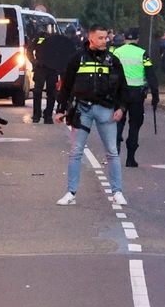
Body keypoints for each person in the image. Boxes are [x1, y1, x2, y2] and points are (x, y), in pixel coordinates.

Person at [55, 24, 129, 206]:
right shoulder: (77, 59)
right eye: (101, 38)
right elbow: (66, 86)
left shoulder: (113, 60)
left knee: (112, 152)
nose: (106, 41)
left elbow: (122, 87)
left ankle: (117, 192)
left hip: (106, 109)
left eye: (106, 38)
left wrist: (122, 108)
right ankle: (70, 193)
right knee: (75, 152)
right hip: (83, 110)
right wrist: (60, 109)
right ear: (91, 39)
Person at [113, 28, 160, 167]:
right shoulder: (142, 53)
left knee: (118, 123)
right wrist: (155, 95)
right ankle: (130, 159)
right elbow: (150, 75)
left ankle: (115, 153)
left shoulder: (117, 52)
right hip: (137, 94)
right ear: (137, 39)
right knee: (135, 125)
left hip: (120, 93)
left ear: (124, 38)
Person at [28, 30, 59, 125]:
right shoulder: (38, 38)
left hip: (52, 68)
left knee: (52, 93)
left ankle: (48, 115)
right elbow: (29, 51)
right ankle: (37, 114)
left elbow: (62, 52)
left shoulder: (56, 39)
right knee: (37, 91)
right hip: (40, 68)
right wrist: (34, 61)